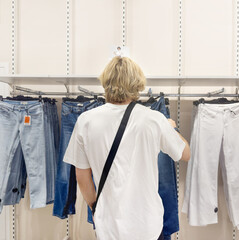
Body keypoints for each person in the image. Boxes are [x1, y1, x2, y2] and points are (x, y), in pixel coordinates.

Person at [63, 56, 190, 240]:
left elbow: (81, 176)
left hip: (108, 227)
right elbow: (185, 153)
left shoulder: (86, 120)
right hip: (148, 226)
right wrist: (171, 127)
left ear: (106, 81)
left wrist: (95, 207)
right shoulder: (154, 119)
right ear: (137, 83)